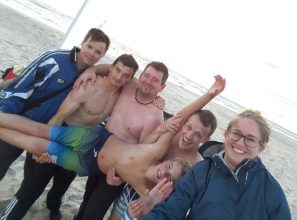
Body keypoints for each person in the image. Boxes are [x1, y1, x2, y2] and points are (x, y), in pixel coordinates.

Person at [0, 74, 226, 201]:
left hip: (87, 163)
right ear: (167, 161)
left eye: (167, 176)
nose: (163, 172)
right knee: (37, 130)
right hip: (95, 139)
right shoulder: (155, 152)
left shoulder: (143, 187)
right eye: (168, 167)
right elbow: (182, 115)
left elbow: (155, 207)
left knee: (38, 145)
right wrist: (209, 94)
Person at [0, 28, 110, 220]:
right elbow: (21, 86)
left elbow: (115, 69)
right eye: (90, 46)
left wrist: (94, 69)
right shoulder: (55, 59)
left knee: (31, 185)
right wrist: (6, 117)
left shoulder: (91, 77)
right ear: (83, 42)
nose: (92, 53)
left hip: (46, 132)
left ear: (102, 56)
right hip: (20, 120)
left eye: (98, 52)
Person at [138, 109, 292, 220]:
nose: (240, 142)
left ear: (261, 147)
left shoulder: (272, 192)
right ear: (226, 135)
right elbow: (169, 212)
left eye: (250, 139)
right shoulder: (200, 172)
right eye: (236, 133)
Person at [74, 61, 169, 220]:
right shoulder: (129, 84)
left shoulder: (155, 116)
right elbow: (110, 69)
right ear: (140, 76)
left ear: (162, 87)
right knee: (86, 198)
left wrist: (123, 176)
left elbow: (141, 153)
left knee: (93, 213)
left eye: (155, 80)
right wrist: (91, 70)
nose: (148, 81)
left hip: (116, 168)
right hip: (97, 150)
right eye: (146, 76)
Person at [110, 109, 218, 220]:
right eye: (189, 127)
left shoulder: (198, 167)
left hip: (153, 210)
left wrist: (150, 207)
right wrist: (159, 129)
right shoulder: (169, 137)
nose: (189, 135)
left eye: (197, 134)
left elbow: (182, 201)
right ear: (184, 123)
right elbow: (141, 151)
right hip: (130, 192)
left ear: (206, 139)